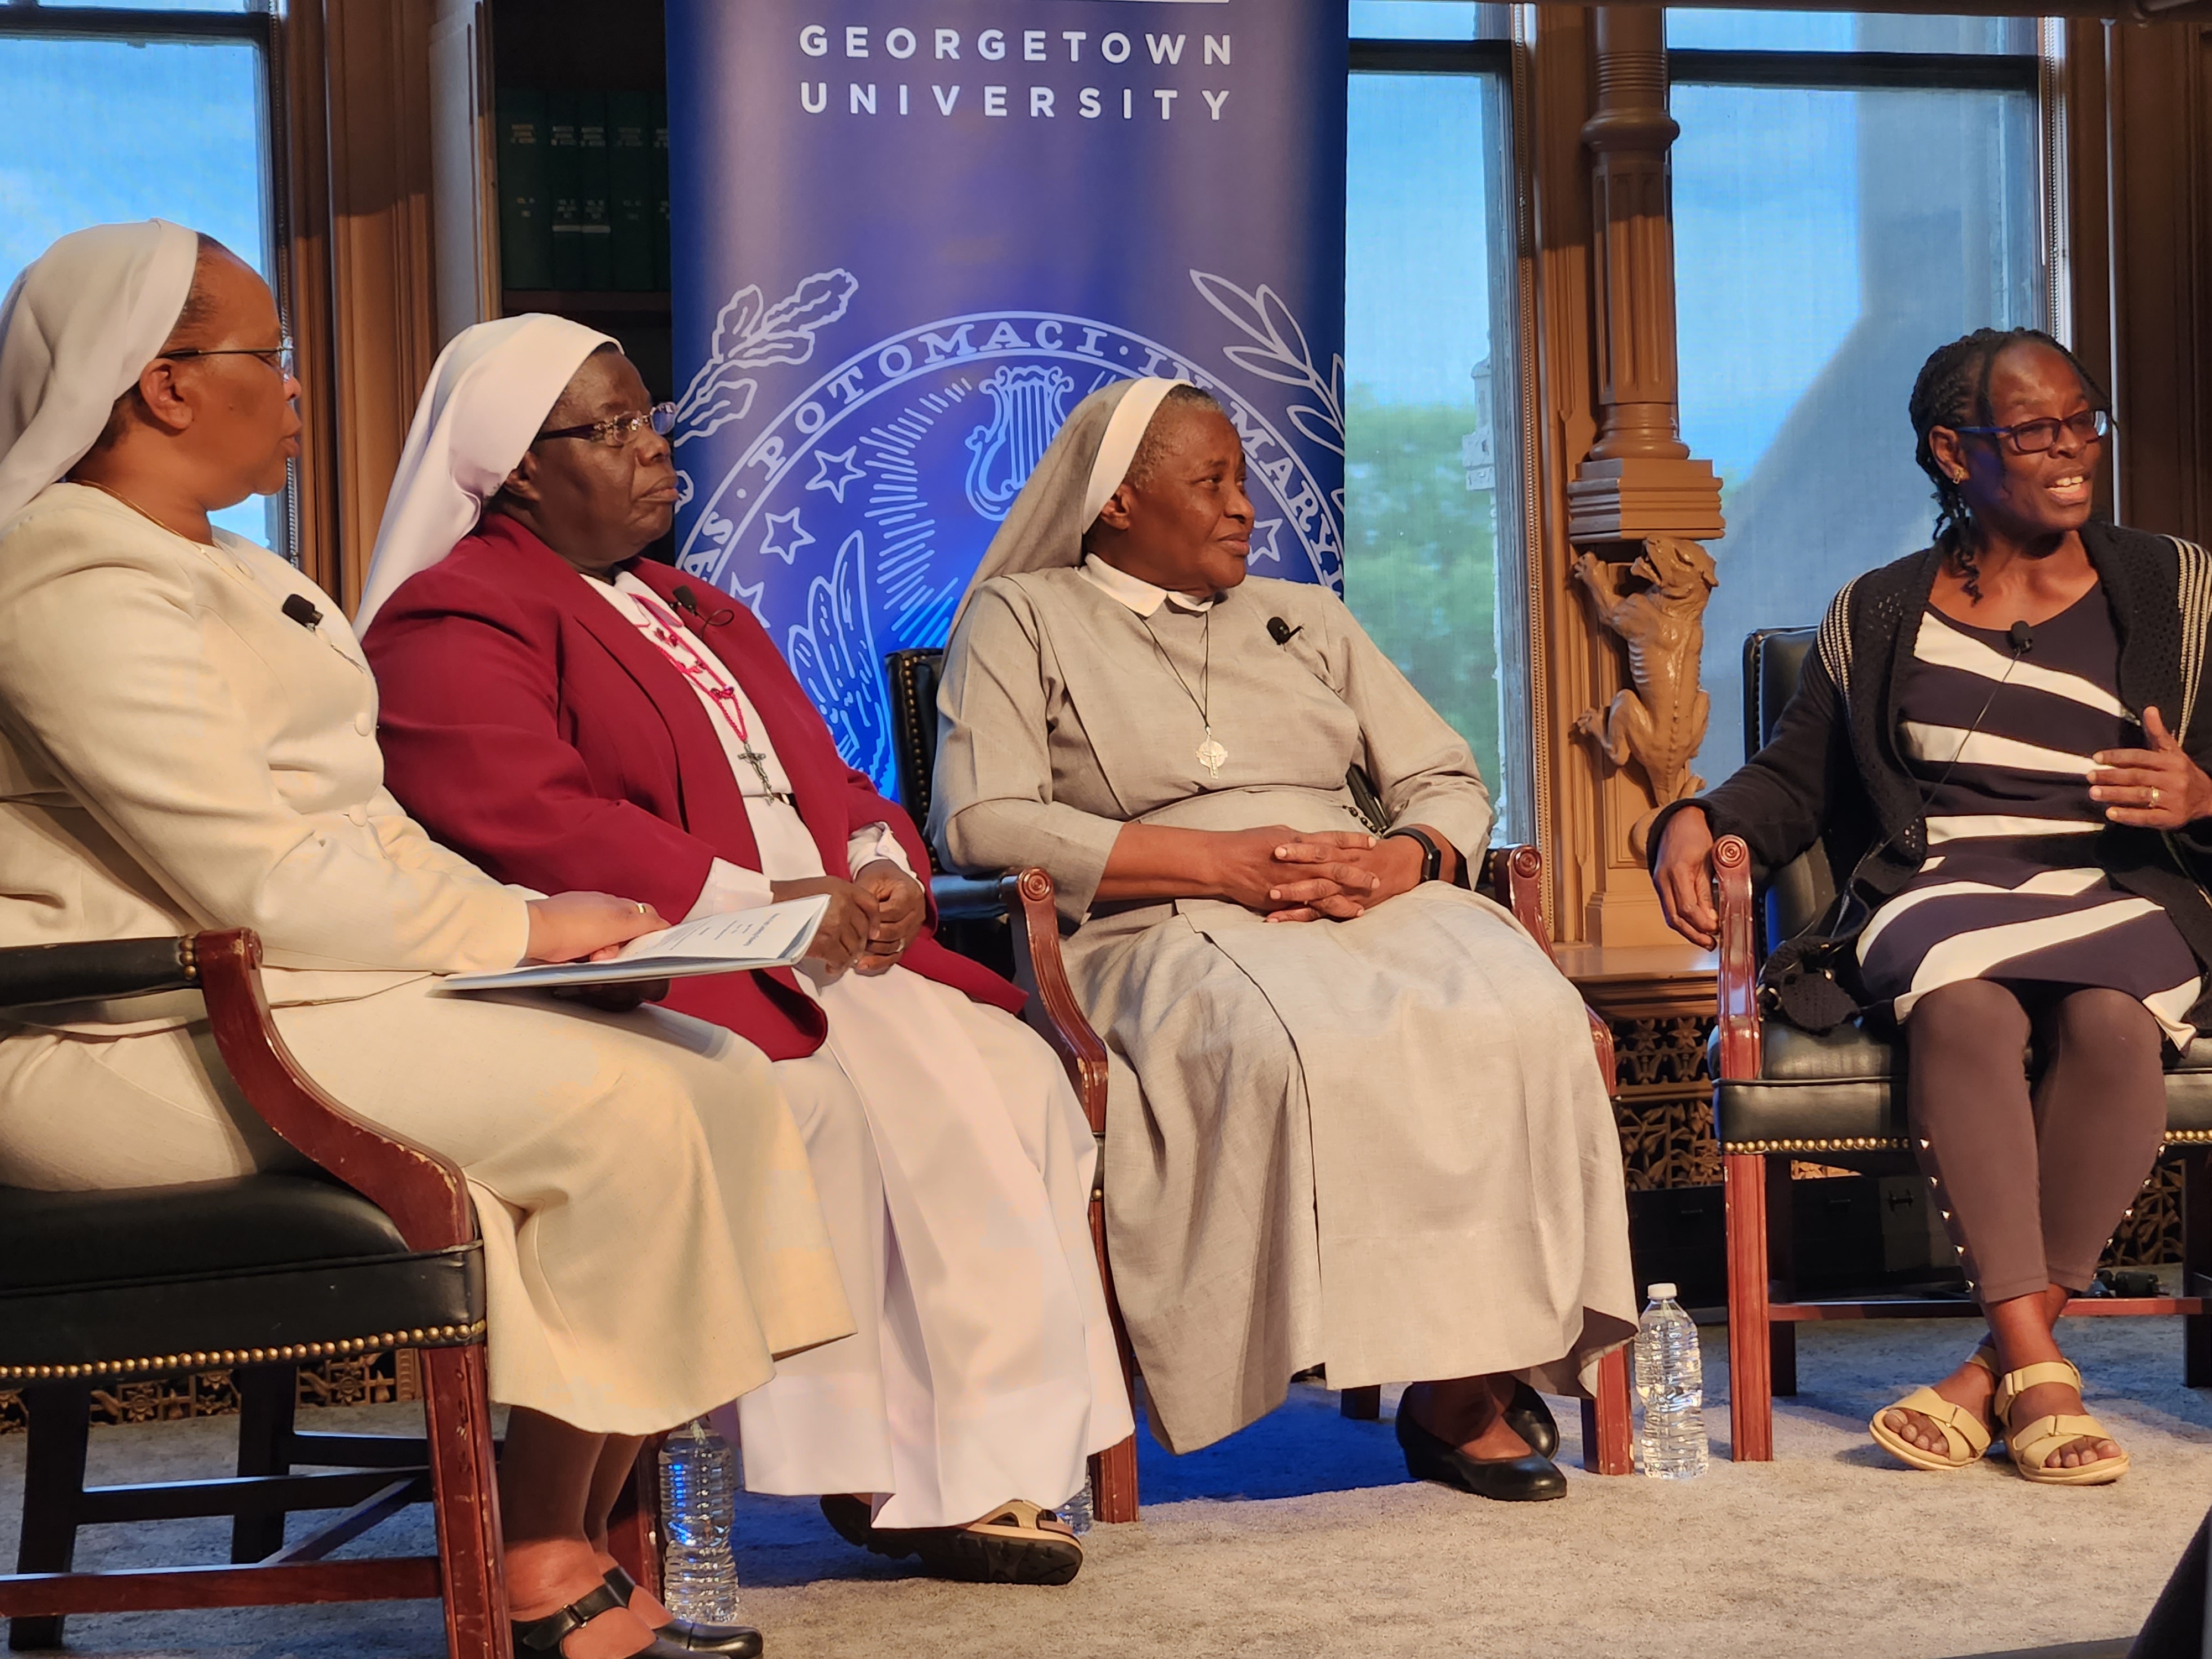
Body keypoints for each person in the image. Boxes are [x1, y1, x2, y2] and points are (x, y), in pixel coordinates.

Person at [0, 223, 854, 1659]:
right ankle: (534, 1553)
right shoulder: (67, 584)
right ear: (158, 387)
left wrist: (533, 946)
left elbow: (365, 831)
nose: (292, 392)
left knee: (710, 1066)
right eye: (266, 358)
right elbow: (247, 871)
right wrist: (517, 920)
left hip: (280, 1004)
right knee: (623, 1109)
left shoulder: (234, 574)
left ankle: (557, 1519)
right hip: (115, 1044)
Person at [355, 318, 1133, 1583]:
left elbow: (830, 779)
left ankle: (988, 1457)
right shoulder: (455, 616)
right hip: (666, 957)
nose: (655, 449)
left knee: (1013, 1075)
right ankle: (895, 1465)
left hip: (811, 934)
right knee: (890, 1100)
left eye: (650, 417)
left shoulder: (697, 602)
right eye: (609, 430)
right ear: (516, 471)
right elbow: (526, 815)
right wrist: (769, 900)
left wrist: (881, 871)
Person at [929, 377, 1636, 1503]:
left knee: (1527, 1012)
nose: (1242, 507)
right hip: (1156, 920)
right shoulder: (1022, 617)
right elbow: (981, 818)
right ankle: (1318, 1357)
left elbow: (1441, 777)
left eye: (1242, 480)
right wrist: (1217, 864)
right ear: (1117, 500)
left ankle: (1466, 1384)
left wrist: (1403, 861)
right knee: (1290, 1040)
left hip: (1362, 899)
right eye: (1208, 482)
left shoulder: (1303, 617)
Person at [1650, 326, 2212, 1486]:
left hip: (2117, 880)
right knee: (1959, 1004)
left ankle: (1990, 1371)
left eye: (2080, 420)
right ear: (1953, 453)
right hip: (1943, 881)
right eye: (2034, 429)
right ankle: (2040, 1372)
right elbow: (1791, 778)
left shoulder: (2172, 588)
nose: (2071, 450)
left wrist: (2200, 793)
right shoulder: (1878, 612)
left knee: (2113, 1022)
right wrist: (1692, 820)